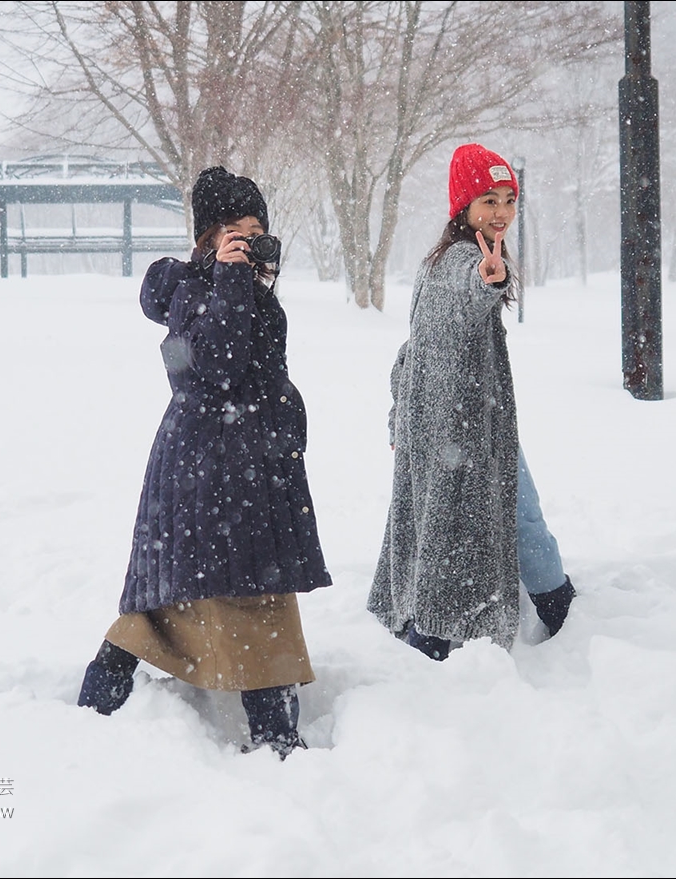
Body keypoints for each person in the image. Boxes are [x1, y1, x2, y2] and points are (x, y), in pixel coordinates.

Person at [76, 166, 333, 756]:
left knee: (182, 594)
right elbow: (216, 364)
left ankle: (102, 701)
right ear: (208, 238)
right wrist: (229, 278)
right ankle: (276, 742)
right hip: (212, 471)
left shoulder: (238, 289)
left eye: (258, 230)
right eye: (237, 231)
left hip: (242, 465)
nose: (252, 241)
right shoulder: (195, 290)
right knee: (239, 597)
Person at [368, 143, 576, 661]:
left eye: (509, 199)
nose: (501, 211)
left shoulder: (438, 260)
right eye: (488, 199)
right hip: (462, 430)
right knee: (479, 523)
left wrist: (404, 413)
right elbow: (470, 294)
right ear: (463, 206)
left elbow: (415, 347)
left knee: (515, 510)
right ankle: (546, 610)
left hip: (466, 422)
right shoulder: (463, 262)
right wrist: (491, 281)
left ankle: (555, 602)